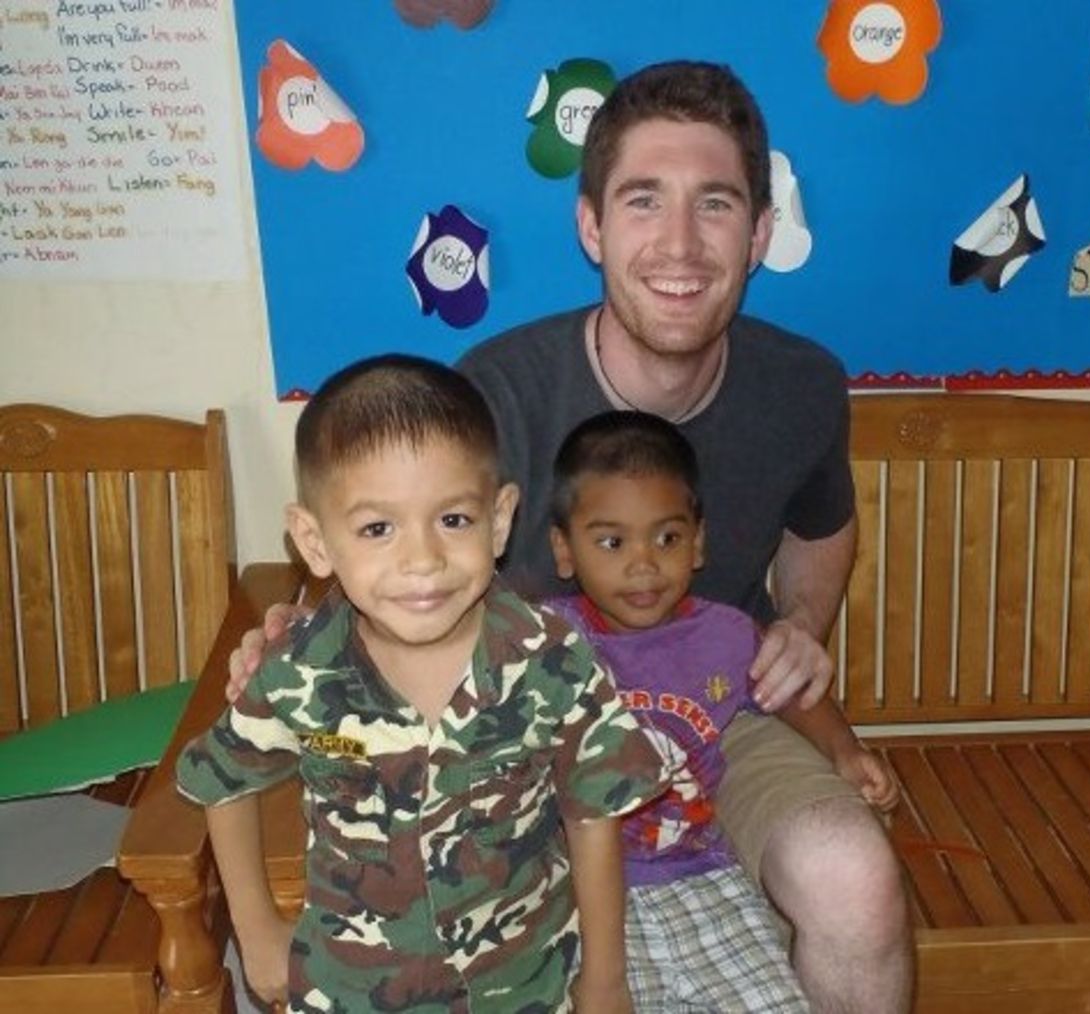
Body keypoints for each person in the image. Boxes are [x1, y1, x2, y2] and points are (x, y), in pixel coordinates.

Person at [231, 61, 912, 1011]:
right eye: (644, 201)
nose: (680, 243)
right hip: (518, 736)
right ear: (592, 225)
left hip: (718, 709)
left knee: (856, 872)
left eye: (715, 205)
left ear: (759, 233)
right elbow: (392, 548)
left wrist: (802, 622)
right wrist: (297, 628)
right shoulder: (494, 390)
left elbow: (822, 525)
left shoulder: (803, 385)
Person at [181, 354, 666, 1013]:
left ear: (498, 521)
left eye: (453, 520)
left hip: (525, 984)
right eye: (377, 528)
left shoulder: (552, 661)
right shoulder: (299, 671)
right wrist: (256, 927)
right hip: (352, 991)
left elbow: (593, 817)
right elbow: (220, 779)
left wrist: (605, 982)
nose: (422, 561)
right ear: (314, 541)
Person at [545, 410, 898, 1012]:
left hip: (703, 872)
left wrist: (844, 750)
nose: (643, 564)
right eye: (611, 541)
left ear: (699, 542)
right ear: (564, 550)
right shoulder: (547, 640)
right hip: (580, 890)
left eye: (667, 538)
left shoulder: (727, 635)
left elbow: (785, 689)